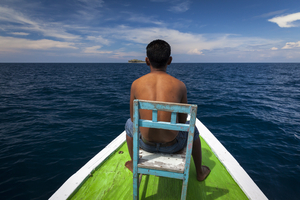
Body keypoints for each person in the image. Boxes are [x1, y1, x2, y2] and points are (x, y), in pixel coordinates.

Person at [125, 39, 210, 181]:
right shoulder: (180, 85)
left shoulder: (136, 84)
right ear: (169, 60)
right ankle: (199, 173)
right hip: (173, 146)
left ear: (147, 61)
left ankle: (135, 164)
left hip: (145, 145)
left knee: (129, 124)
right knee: (192, 129)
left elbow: (134, 119)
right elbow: (182, 121)